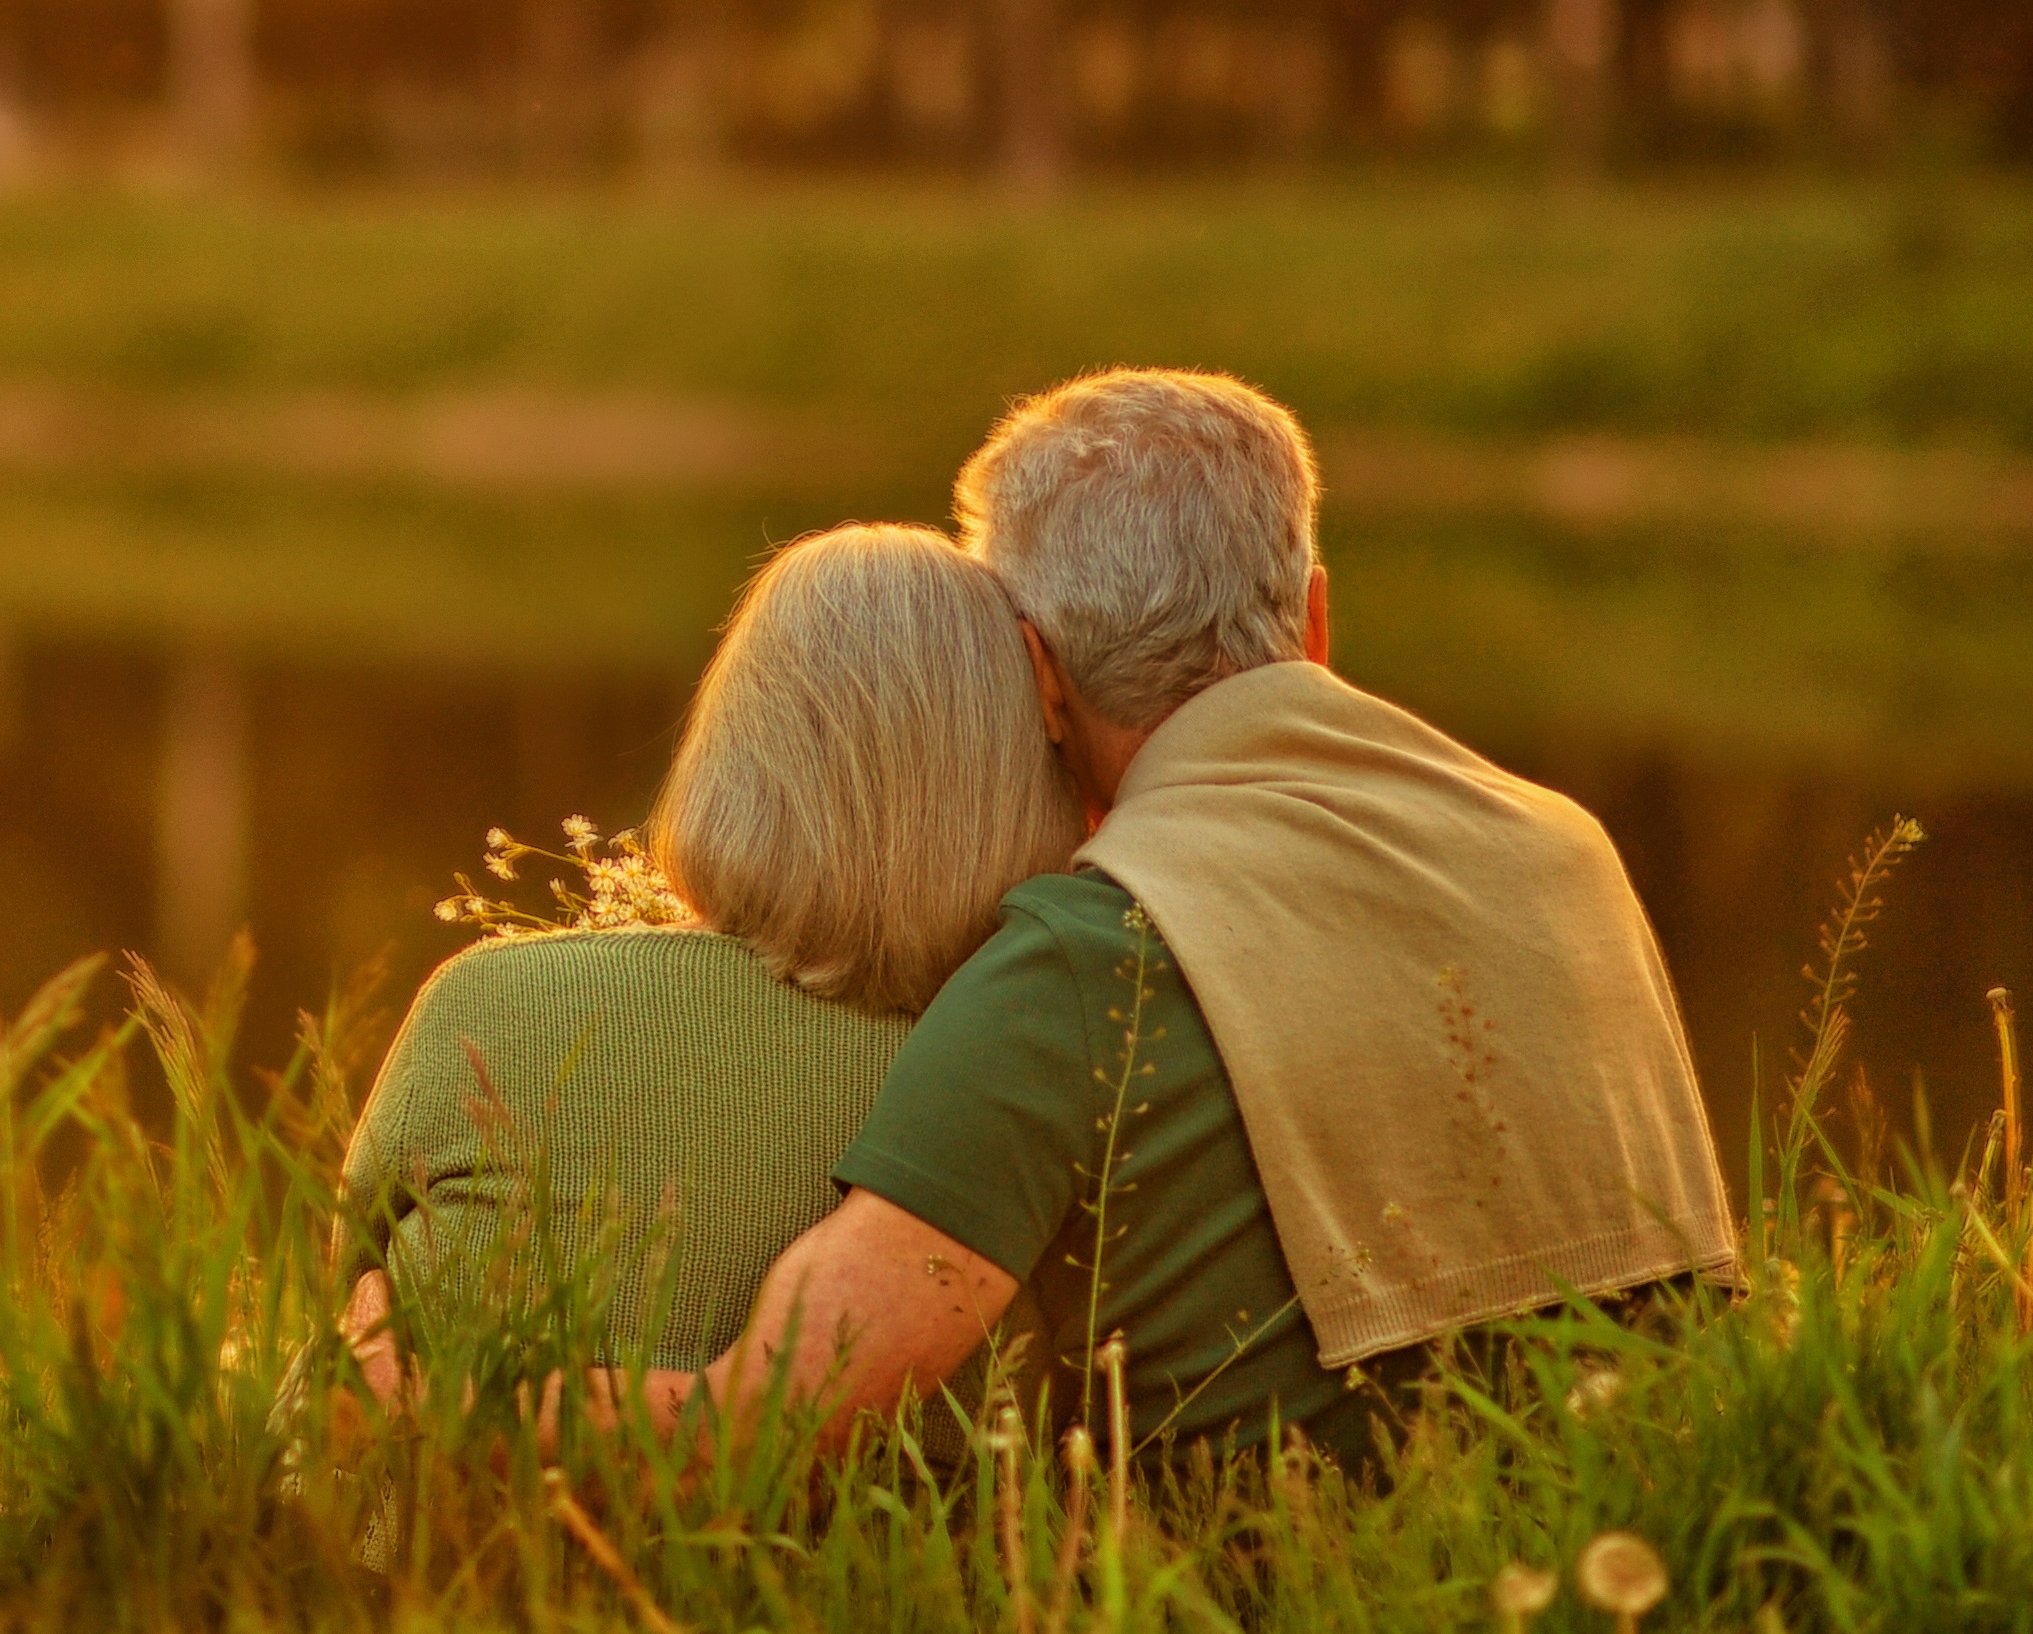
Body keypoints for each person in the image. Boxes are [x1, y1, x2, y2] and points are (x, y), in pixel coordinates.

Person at [615, 368, 1741, 1462]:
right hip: (1630, 1525)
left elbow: (760, 1426)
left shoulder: (1085, 952)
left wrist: (460, 1393)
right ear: (1313, 615)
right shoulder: (1563, 844)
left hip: (1278, 1601)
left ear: (1036, 676)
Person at [336, 523, 1077, 1428]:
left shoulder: (489, 1002)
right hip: (867, 1566)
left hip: (437, 1561)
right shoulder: (1037, 1070)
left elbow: (347, 1303)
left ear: (732, 747)